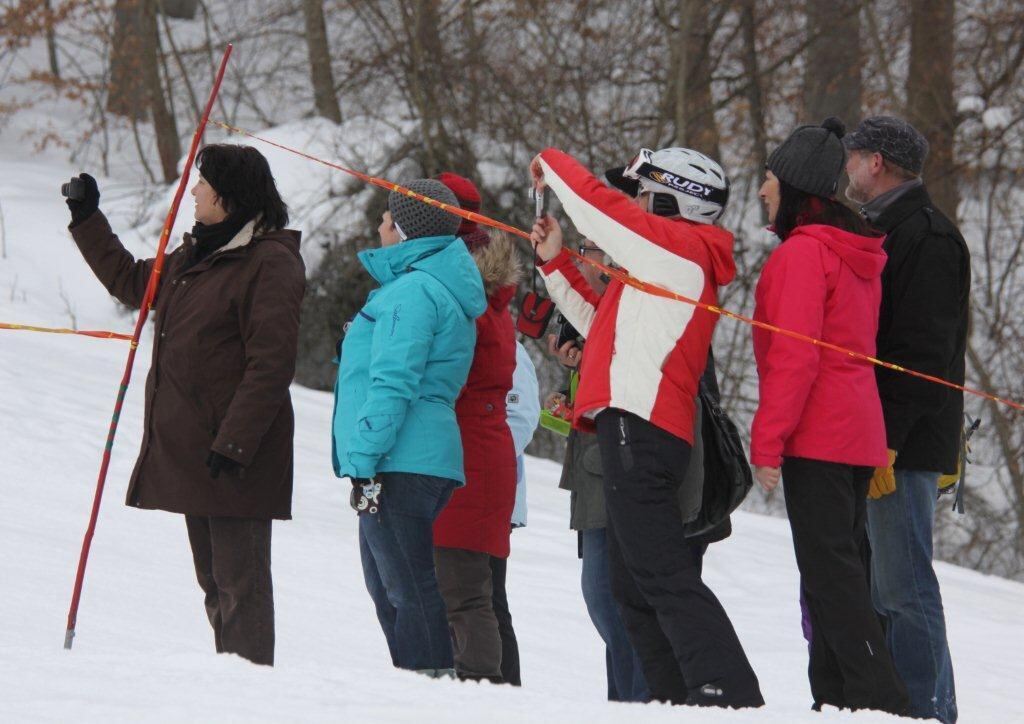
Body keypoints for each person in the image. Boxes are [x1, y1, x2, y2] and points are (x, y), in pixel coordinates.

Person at [529, 147, 763, 708]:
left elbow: (596, 206)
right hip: (631, 427)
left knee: (660, 576)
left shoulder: (680, 251)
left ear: (669, 198)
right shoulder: (663, 264)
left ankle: (728, 693)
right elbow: (598, 325)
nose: (635, 203)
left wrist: (550, 162)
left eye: (643, 193)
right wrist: (556, 263)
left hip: (644, 427)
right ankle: (671, 699)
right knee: (631, 589)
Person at [64, 144, 306, 666]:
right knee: (216, 587)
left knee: (241, 588)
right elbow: (132, 281)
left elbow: (270, 366)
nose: (193, 192)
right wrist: (88, 219)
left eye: (202, 184)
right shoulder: (193, 258)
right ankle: (229, 686)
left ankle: (251, 695)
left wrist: (236, 443)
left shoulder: (269, 263)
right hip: (199, 451)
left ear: (229, 196)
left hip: (237, 456)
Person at [750, 117, 909, 715]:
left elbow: (793, 357)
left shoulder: (803, 255)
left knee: (831, 576)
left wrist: (768, 443)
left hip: (818, 436)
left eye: (768, 178)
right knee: (837, 570)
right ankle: (838, 698)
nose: (762, 189)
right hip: (856, 432)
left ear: (793, 186)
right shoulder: (855, 251)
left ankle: (879, 700)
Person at [332, 179, 485, 677]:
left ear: (403, 228)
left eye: (386, 217)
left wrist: (363, 455)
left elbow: (394, 379)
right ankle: (414, 684)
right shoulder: (420, 286)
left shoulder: (415, 291)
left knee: (407, 588)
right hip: (405, 458)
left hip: (399, 459)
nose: (378, 226)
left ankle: (428, 690)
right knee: (389, 589)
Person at [845, 116, 969, 724]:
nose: (847, 168)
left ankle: (926, 713)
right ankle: (896, 706)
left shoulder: (928, 236)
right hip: (876, 434)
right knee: (880, 588)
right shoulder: (879, 228)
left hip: (905, 443)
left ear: (875, 163)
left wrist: (886, 440)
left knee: (902, 586)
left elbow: (923, 354)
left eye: (853, 156)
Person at [429, 172, 520, 683]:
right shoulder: (481, 297)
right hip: (473, 456)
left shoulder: (471, 303)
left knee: (466, 596)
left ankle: (486, 699)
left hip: (468, 460)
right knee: (475, 595)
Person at [493, 340, 541, 686]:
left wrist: (477, 465)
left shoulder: (510, 348)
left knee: (487, 600)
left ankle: (505, 694)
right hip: (456, 491)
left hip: (492, 494)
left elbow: (521, 419)